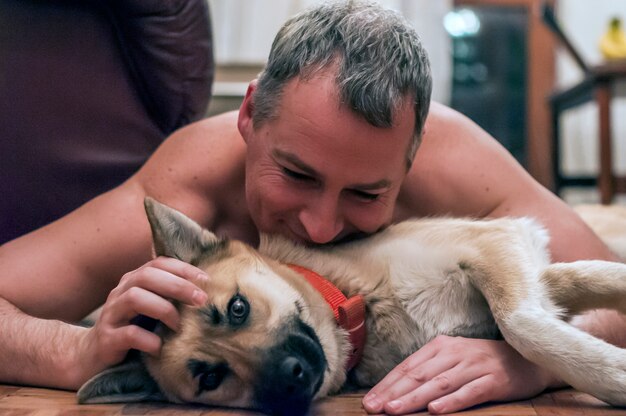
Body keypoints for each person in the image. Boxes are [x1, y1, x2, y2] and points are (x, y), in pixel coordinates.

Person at [0, 1, 624, 414]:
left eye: (367, 194)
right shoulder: (184, 193)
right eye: (295, 174)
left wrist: (531, 361)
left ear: (411, 162)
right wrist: (75, 352)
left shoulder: (455, 157)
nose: (322, 225)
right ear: (248, 117)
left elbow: (613, 298)